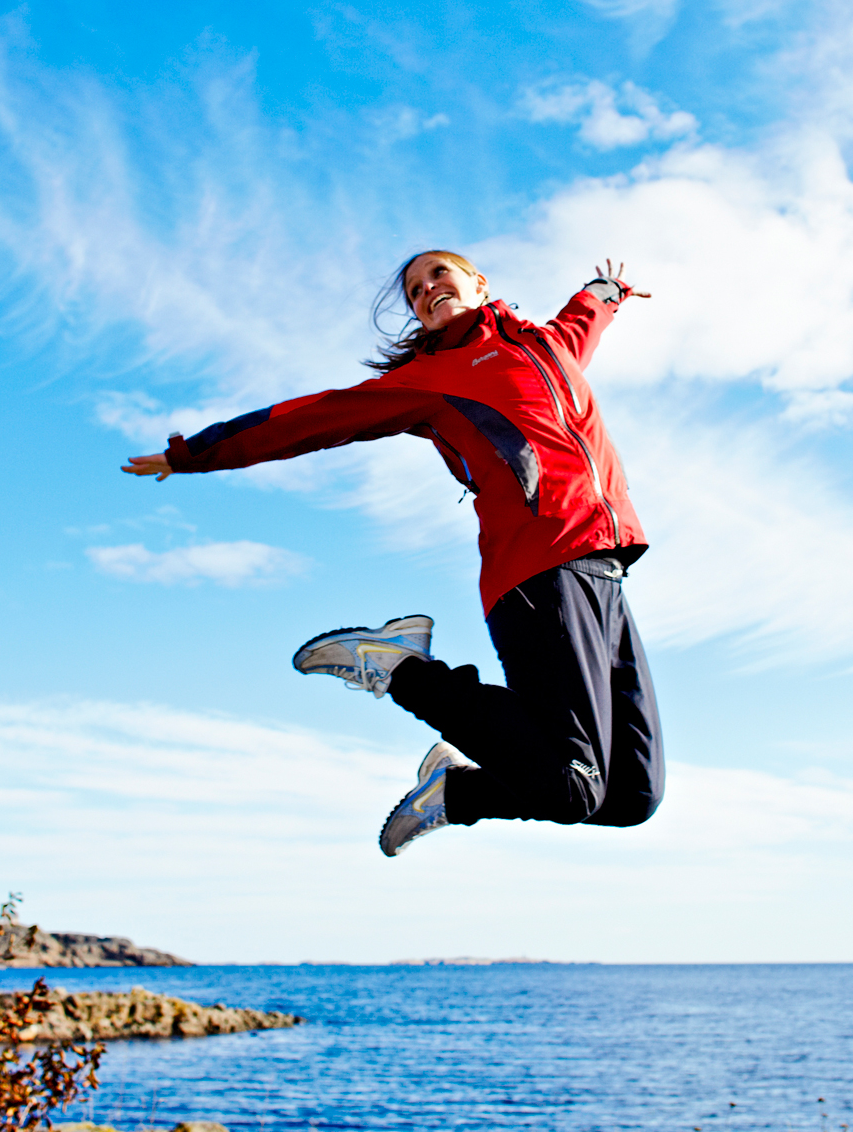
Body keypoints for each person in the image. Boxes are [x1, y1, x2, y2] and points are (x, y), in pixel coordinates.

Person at [123, 251, 663, 856]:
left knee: (631, 799)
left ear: (477, 282)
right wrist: (193, 453)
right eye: (413, 291)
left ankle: (456, 795)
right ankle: (399, 668)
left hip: (606, 568)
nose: (426, 290)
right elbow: (309, 419)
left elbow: (587, 312)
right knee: (570, 785)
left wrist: (609, 286)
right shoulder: (430, 377)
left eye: (437, 275)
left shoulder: (548, 345)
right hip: (537, 567)